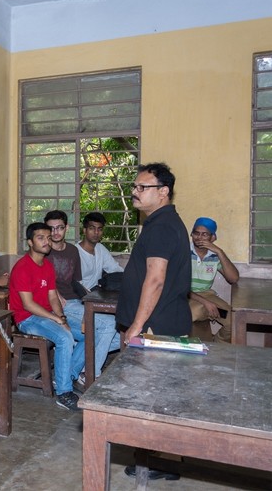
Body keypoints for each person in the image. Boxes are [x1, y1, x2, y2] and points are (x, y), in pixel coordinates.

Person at [117, 163, 190, 482]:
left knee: (152, 397)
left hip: (154, 327)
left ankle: (159, 461)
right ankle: (161, 459)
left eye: (142, 187)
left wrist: (135, 326)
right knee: (159, 397)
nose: (135, 192)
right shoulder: (163, 222)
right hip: (162, 322)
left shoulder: (161, 226)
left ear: (163, 192)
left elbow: (156, 279)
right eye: (134, 186)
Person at [9, 222, 84, 411]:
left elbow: (53, 296)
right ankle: (63, 393)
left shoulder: (48, 266)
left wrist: (61, 317)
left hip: (47, 315)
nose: (46, 241)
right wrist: (57, 320)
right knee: (64, 337)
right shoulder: (22, 267)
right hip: (27, 319)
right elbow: (28, 305)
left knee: (88, 333)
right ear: (29, 242)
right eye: (40, 238)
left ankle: (66, 377)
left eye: (48, 237)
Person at [44, 210, 110, 384]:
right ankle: (87, 373)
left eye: (59, 228)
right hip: (56, 305)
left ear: (66, 228)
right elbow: (41, 281)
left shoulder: (73, 251)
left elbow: (75, 281)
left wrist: (90, 298)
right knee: (106, 326)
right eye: (50, 229)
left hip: (74, 301)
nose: (55, 232)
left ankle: (77, 371)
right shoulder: (43, 251)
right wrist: (57, 296)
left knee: (117, 333)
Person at [75, 212, 123, 375]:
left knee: (122, 333)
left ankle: (84, 360)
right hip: (79, 302)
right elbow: (75, 284)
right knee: (110, 327)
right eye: (92, 228)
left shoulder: (101, 249)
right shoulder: (75, 252)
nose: (96, 232)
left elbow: (115, 269)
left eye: (99, 229)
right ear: (84, 230)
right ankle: (90, 373)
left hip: (96, 300)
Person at [188, 217, 239, 342]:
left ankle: (217, 346)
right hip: (186, 295)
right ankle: (207, 310)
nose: (199, 237)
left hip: (207, 295)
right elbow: (178, 286)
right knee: (192, 314)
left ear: (213, 237)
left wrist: (219, 251)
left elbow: (233, 278)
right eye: (196, 233)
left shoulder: (214, 256)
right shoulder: (183, 252)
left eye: (205, 234)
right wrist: (206, 303)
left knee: (232, 322)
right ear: (191, 234)